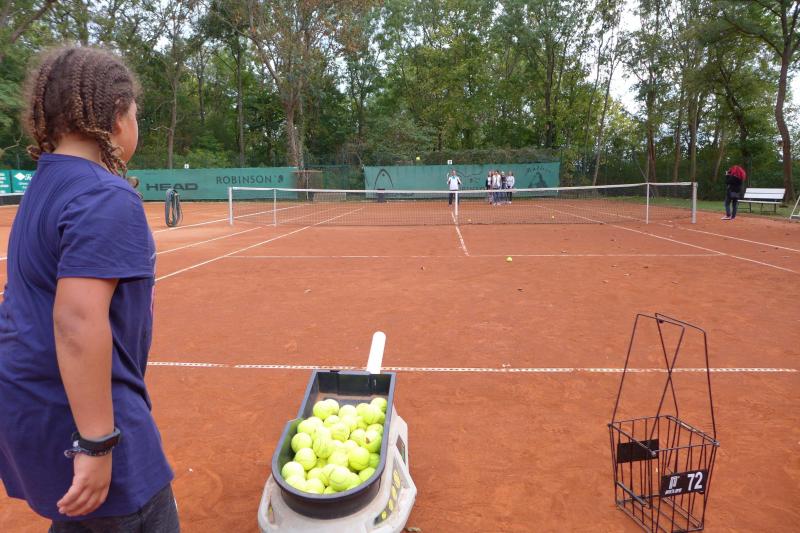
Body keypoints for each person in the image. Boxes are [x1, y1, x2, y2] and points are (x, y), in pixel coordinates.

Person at [0, 47, 179, 531]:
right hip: (84, 415)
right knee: (135, 514)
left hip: (30, 404)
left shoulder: (44, 185)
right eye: (136, 114)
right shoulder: (104, 193)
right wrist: (96, 442)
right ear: (118, 117)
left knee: (80, 519)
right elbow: (77, 321)